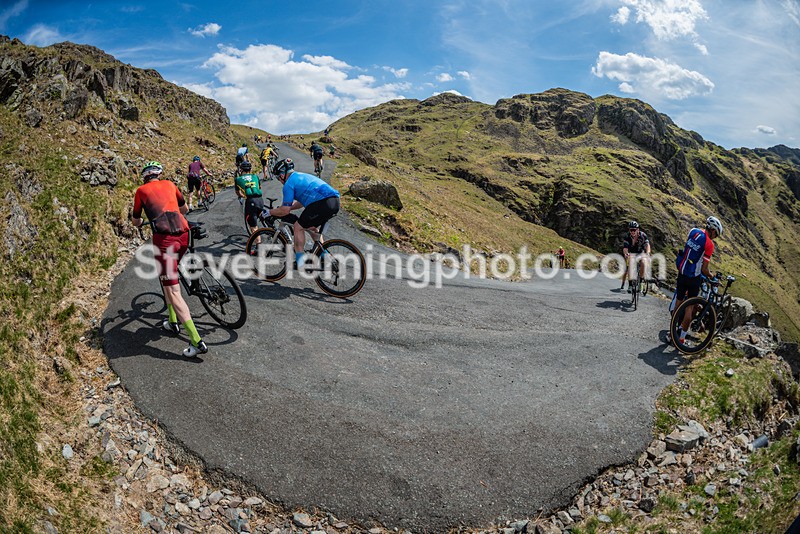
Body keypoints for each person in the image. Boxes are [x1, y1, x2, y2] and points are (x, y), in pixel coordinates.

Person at [131, 161, 208, 358]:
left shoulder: (141, 191)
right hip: (183, 234)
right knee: (168, 279)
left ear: (145, 177)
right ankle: (172, 320)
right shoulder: (170, 184)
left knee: (173, 291)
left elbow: (136, 220)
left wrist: (142, 221)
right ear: (159, 174)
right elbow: (185, 209)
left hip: (165, 240)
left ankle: (196, 341)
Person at [263, 158, 340, 269]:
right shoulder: (301, 176)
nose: (279, 180)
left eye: (278, 177)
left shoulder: (288, 184)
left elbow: (285, 210)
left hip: (323, 203)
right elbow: (300, 203)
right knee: (312, 227)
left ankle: (300, 261)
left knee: (298, 227)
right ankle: (325, 255)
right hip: (334, 201)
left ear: (282, 174)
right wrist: (287, 208)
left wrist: (269, 212)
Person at [670, 216, 723, 344]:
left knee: (678, 305)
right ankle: (681, 338)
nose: (715, 237)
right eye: (716, 234)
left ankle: (671, 334)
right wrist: (712, 277)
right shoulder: (709, 244)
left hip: (682, 272)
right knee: (689, 308)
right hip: (693, 278)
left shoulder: (693, 231)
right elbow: (704, 269)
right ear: (713, 230)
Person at [234, 161, 264, 244]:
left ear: (241, 170)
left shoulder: (238, 179)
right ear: (250, 169)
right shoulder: (255, 176)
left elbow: (238, 192)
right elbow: (259, 187)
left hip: (251, 201)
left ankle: (259, 245)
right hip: (260, 200)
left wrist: (242, 196)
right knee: (261, 215)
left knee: (253, 226)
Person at [621, 221, 651, 292]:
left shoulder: (643, 235)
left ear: (637, 229)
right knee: (630, 264)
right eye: (631, 230)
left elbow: (647, 245)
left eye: (634, 230)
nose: (632, 232)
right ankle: (630, 285)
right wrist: (626, 254)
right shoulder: (627, 236)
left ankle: (641, 282)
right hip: (632, 253)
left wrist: (648, 253)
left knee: (643, 262)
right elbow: (625, 248)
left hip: (641, 252)